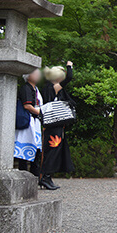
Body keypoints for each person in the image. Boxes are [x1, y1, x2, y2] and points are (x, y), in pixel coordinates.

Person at [40, 62, 75, 190]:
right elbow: (70, 77)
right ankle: (45, 177)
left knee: (53, 151)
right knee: (53, 151)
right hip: (54, 124)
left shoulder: (48, 88)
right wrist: (69, 66)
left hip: (53, 124)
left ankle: (46, 177)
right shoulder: (54, 88)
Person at [14, 69, 43, 177]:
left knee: (36, 149)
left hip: (35, 122)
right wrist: (41, 112)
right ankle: (25, 175)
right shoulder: (26, 88)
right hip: (28, 122)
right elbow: (27, 105)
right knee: (25, 150)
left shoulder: (35, 89)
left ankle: (35, 174)